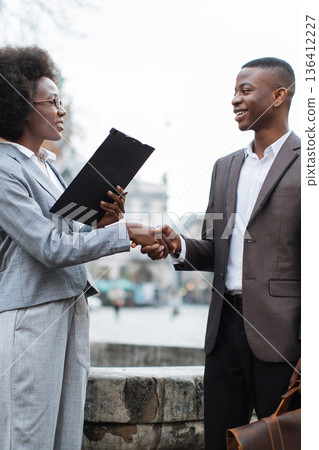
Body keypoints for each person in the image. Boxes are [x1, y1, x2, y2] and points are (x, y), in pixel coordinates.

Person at [0, 45, 171, 449]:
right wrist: (124, 231)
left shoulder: (45, 165)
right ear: (24, 107)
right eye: (53, 101)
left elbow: (68, 235)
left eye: (63, 101)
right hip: (32, 315)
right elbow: (47, 245)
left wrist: (105, 220)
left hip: (68, 305)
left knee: (63, 436)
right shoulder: (5, 168)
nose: (63, 110)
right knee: (29, 436)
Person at [141, 57, 301, 449]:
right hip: (223, 329)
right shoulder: (224, 168)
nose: (235, 99)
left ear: (279, 95)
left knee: (282, 442)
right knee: (219, 441)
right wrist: (177, 245)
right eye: (234, 91)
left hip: (285, 336)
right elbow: (215, 246)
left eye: (245, 90)